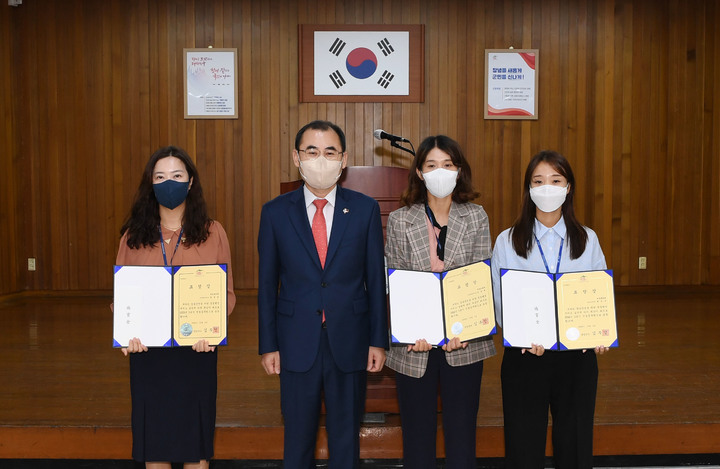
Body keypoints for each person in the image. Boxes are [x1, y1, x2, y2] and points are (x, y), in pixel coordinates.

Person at [257, 120, 388, 469]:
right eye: (311, 151)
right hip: (296, 340)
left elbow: (376, 280)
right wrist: (268, 344)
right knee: (298, 439)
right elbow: (268, 285)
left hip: (350, 338)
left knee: (346, 438)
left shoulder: (364, 209)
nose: (321, 159)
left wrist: (378, 340)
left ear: (343, 159)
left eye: (330, 152)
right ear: (296, 158)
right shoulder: (274, 212)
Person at [115, 145, 236, 469]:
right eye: (161, 176)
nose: (170, 183)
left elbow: (226, 293)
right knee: (155, 448)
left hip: (196, 351)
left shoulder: (213, 232)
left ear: (191, 182)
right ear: (150, 184)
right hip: (148, 355)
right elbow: (123, 294)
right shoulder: (132, 236)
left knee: (196, 448)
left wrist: (211, 329)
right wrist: (127, 333)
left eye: (177, 176)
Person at [490, 150, 609, 469]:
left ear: (568, 187)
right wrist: (521, 334)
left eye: (556, 180)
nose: (547, 188)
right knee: (523, 446)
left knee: (576, 445)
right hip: (526, 357)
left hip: (576, 358)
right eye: (538, 181)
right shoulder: (508, 240)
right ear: (528, 189)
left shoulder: (587, 239)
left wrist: (599, 331)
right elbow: (500, 303)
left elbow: (599, 297)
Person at [385, 135, 496, 469]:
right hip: (413, 346)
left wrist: (465, 329)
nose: (440, 172)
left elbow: (480, 281)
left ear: (459, 170)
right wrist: (410, 330)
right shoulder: (401, 220)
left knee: (462, 438)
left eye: (448, 165)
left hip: (465, 345)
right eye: (432, 165)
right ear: (419, 172)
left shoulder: (476, 217)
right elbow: (394, 282)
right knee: (417, 440)